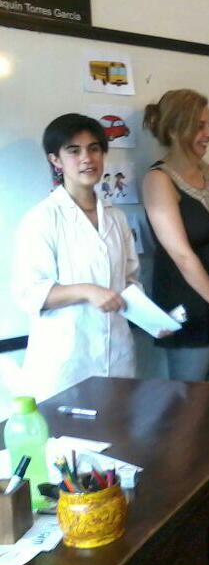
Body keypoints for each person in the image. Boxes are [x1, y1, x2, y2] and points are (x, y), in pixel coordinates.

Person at [13, 113, 140, 401]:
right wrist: (87, 291)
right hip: (66, 362)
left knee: (119, 425)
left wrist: (154, 320)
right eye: (74, 150)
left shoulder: (116, 218)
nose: (87, 158)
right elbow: (29, 293)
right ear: (55, 160)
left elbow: (129, 281)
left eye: (94, 149)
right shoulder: (42, 219)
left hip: (116, 356)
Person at [142, 89, 209, 384]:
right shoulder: (158, 179)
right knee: (191, 398)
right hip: (188, 300)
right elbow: (182, 255)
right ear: (175, 130)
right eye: (200, 126)